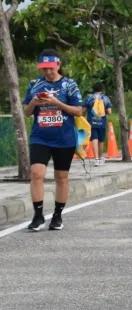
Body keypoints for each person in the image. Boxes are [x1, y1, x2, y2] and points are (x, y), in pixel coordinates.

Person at [23, 50, 84, 232]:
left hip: (64, 138)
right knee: (36, 174)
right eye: (44, 69)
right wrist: (34, 103)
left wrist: (58, 104)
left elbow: (79, 110)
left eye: (51, 68)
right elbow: (26, 113)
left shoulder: (69, 85)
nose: (48, 72)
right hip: (40, 137)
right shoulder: (35, 84)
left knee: (61, 178)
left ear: (58, 65)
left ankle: (57, 216)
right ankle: (38, 215)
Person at [81, 83, 112, 166]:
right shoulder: (105, 98)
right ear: (102, 89)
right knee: (101, 141)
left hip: (91, 122)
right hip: (102, 122)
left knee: (94, 139)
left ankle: (96, 159)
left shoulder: (89, 97)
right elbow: (109, 112)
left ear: (93, 89)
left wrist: (82, 119)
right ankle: (100, 158)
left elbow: (83, 110)